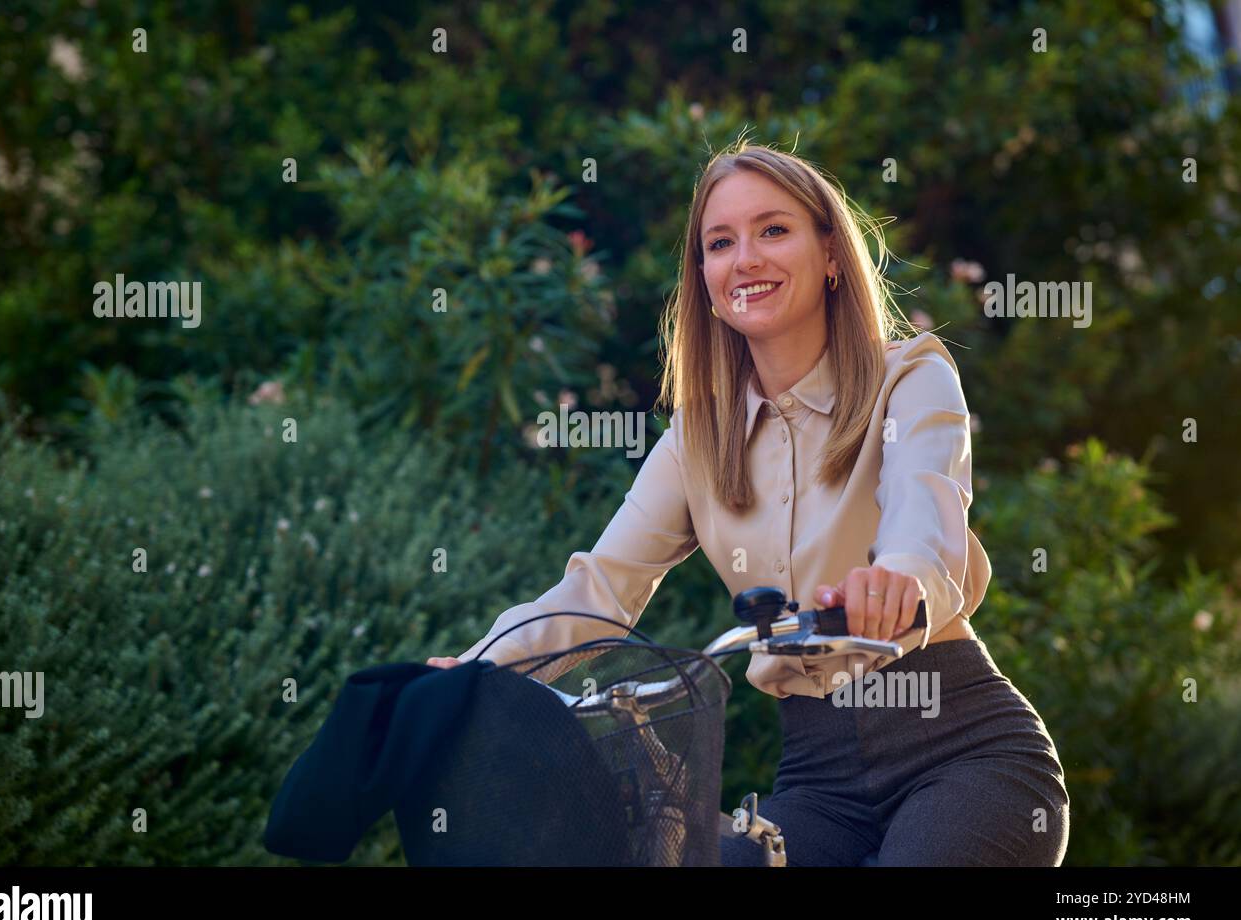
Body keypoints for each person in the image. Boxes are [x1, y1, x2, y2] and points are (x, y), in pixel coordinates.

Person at [429, 142, 1069, 866]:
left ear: (831, 253)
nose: (746, 258)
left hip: (962, 750)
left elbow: (928, 516)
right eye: (720, 242)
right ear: (704, 280)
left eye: (774, 230)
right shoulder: (696, 438)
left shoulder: (911, 376)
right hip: (818, 778)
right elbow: (598, 590)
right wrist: (473, 674)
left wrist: (898, 581)